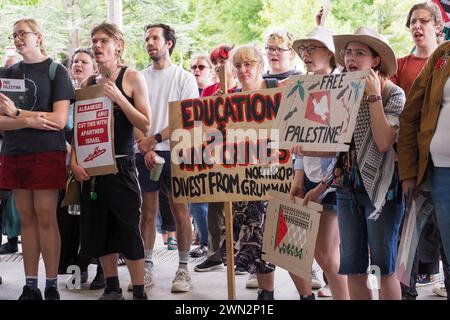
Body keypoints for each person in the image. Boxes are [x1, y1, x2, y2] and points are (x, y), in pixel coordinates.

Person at [294, 27, 405, 299]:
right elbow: (339, 149)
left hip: (383, 191)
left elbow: (382, 142)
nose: (350, 58)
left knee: (383, 267)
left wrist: (374, 96)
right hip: (347, 189)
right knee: (352, 268)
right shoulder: (341, 89)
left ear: (375, 60)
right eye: (347, 53)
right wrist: (318, 180)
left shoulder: (394, 94)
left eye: (359, 53)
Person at [71, 22, 151, 300]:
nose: (97, 46)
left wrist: (120, 98)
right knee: (99, 230)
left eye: (103, 40)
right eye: (94, 41)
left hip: (122, 165)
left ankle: (139, 290)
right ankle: (112, 286)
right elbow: (79, 129)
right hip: (93, 168)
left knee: (128, 228)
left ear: (118, 44)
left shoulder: (132, 78)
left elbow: (145, 123)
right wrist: (74, 161)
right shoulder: (87, 84)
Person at [0, 18, 75, 300]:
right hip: (15, 152)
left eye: (23, 34)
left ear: (38, 37)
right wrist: (32, 121)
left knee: (46, 218)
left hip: (47, 152)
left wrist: (18, 116)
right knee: (26, 220)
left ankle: (52, 285)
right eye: (14, 35)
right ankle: (30, 285)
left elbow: (58, 121)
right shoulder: (8, 72)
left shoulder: (57, 71)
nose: (18, 39)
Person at [390, 1, 448, 300]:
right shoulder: (407, 65)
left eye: (422, 20)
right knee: (409, 235)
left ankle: (435, 277)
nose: (416, 26)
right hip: (420, 165)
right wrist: (408, 168)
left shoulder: (442, 57)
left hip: (438, 165)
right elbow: (404, 117)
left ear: (438, 25)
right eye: (412, 21)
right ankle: (405, 292)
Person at [137, 23, 199, 293]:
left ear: (168, 43)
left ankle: (183, 269)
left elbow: (187, 118)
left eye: (155, 38)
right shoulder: (139, 77)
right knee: (147, 212)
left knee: (180, 211)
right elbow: (135, 116)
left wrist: (155, 139)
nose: (150, 42)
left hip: (177, 152)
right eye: (147, 38)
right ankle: (146, 267)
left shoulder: (184, 78)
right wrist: (145, 145)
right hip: (146, 153)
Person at [289, 26, 349, 300]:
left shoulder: (345, 85)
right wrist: (298, 180)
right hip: (310, 177)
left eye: (312, 48)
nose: (305, 54)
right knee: (312, 250)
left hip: (335, 179)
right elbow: (298, 144)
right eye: (303, 49)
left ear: (330, 52)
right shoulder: (304, 86)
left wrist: (321, 185)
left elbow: (343, 146)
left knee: (326, 253)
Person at [229, 44, 279, 300]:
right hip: (242, 178)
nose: (243, 70)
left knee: (268, 237)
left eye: (248, 64)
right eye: (238, 65)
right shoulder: (229, 100)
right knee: (251, 236)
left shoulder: (277, 89)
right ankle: (265, 291)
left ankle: (275, 292)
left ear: (260, 66)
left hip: (276, 177)